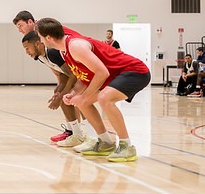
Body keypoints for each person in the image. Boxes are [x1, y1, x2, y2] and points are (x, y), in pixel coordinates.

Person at [36, 17, 151, 163]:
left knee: (104, 98)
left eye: (40, 37)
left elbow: (102, 72)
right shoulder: (64, 51)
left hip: (134, 71)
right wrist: (74, 93)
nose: (40, 41)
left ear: (49, 38)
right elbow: (85, 77)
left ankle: (126, 146)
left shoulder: (75, 46)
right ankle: (105, 142)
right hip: (114, 75)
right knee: (80, 102)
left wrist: (83, 96)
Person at [21, 31, 83, 145]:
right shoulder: (41, 57)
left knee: (79, 101)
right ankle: (76, 134)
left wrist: (60, 97)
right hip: (79, 76)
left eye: (27, 48)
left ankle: (90, 136)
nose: (26, 52)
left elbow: (73, 75)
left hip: (87, 74)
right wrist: (58, 92)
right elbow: (63, 74)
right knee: (62, 95)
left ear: (38, 44)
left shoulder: (52, 52)